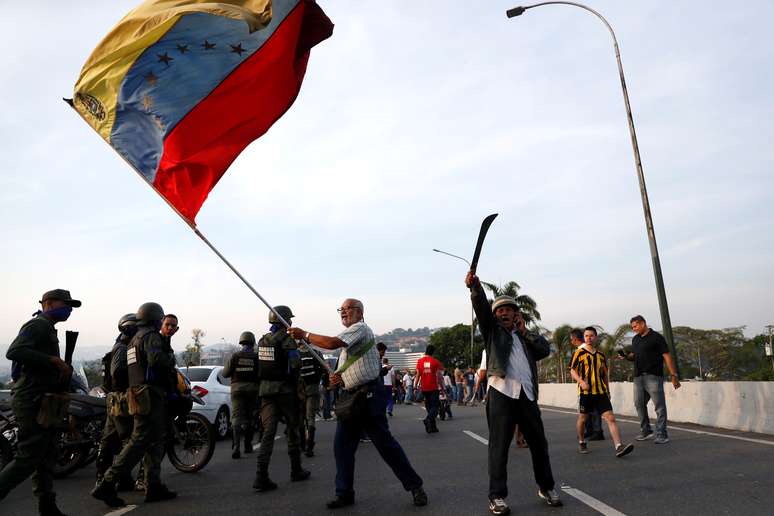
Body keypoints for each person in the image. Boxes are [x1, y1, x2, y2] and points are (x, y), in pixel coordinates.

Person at [287, 298, 427, 509]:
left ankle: (415, 486)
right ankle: (344, 493)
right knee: (342, 447)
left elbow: (331, 343)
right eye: (340, 310)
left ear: (360, 313)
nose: (343, 312)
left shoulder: (359, 328)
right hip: (352, 398)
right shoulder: (349, 344)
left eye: (348, 309)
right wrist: (338, 379)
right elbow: (346, 372)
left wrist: (305, 335)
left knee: (385, 445)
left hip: (369, 396)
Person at [465, 271, 562, 514]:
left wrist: (524, 331)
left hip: (527, 395)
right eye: (500, 310)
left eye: (509, 309)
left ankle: (546, 487)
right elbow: (481, 310)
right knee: (499, 446)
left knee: (539, 444)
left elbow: (544, 349)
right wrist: (475, 288)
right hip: (501, 392)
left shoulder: (524, 338)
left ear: (517, 314)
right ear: (495, 316)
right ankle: (497, 496)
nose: (505, 312)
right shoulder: (492, 332)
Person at [0, 289, 80, 516]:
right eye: (66, 304)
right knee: (28, 457)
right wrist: (53, 360)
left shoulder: (49, 329)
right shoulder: (37, 325)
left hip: (44, 399)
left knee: (46, 456)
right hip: (31, 399)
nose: (69, 309)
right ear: (48, 303)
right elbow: (14, 351)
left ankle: (47, 506)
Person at [92, 302, 178, 507]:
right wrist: (170, 356)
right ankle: (106, 485)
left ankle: (153, 485)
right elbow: (157, 361)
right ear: (156, 319)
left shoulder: (133, 341)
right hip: (149, 394)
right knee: (138, 442)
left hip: (139, 394)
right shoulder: (150, 337)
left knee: (155, 442)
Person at [253, 305, 310, 491]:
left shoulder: (262, 340)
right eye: (289, 319)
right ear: (285, 320)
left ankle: (261, 476)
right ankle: (296, 470)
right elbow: (294, 365)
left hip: (266, 391)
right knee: (293, 429)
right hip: (286, 391)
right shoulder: (287, 340)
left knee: (268, 433)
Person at [569, 327, 634, 458]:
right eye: (586, 336)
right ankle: (581, 441)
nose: (589, 338)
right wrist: (581, 381)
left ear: (596, 337)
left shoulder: (601, 355)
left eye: (591, 335)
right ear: (584, 338)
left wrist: (607, 390)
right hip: (586, 393)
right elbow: (572, 370)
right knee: (583, 419)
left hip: (600, 392)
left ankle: (618, 446)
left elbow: (604, 374)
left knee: (610, 418)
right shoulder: (579, 353)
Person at [621, 315, 681, 444]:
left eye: (635, 326)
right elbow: (635, 355)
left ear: (643, 323)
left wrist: (674, 375)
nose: (634, 329)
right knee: (639, 404)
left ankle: (662, 434)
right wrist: (626, 356)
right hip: (638, 377)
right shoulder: (636, 339)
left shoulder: (657, 338)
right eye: (632, 327)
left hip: (653, 376)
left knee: (659, 406)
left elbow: (667, 356)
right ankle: (646, 430)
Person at [95, 313, 138, 491]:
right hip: (120, 398)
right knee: (126, 440)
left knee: (111, 439)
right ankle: (108, 479)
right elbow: (118, 372)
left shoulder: (123, 345)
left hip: (116, 398)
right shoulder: (122, 348)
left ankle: (116, 478)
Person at [223, 331, 260, 459]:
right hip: (252, 390)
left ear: (241, 342)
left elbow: (225, 374)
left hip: (237, 390)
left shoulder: (235, 356)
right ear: (252, 342)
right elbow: (260, 374)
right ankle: (248, 445)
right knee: (250, 418)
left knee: (236, 418)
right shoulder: (256, 357)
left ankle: (236, 447)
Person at [569, 328, 604, 441]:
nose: (571, 342)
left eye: (571, 339)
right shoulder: (581, 351)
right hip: (584, 385)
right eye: (586, 336)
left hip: (591, 387)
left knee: (593, 411)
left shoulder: (583, 350)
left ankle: (597, 431)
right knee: (587, 412)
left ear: (575, 339)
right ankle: (589, 431)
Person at [298, 342, 326, 457]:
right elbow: (324, 369)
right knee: (311, 417)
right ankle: (310, 446)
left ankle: (302, 444)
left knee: (300, 417)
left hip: (298, 390)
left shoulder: (295, 353)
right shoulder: (316, 353)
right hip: (313, 388)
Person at [415, 345, 443, 433]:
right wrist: (442, 387)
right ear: (433, 352)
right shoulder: (435, 362)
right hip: (433, 387)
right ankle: (428, 420)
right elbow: (439, 376)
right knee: (435, 406)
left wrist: (415, 386)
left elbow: (418, 374)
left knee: (429, 407)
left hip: (424, 388)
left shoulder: (419, 361)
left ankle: (433, 427)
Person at [378, 344, 395, 416]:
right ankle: (389, 409)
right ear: (387, 362)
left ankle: (383, 411)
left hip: (382, 385)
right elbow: (393, 378)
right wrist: (394, 386)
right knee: (390, 398)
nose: (383, 354)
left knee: (382, 399)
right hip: (388, 385)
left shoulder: (380, 365)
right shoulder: (390, 368)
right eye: (383, 352)